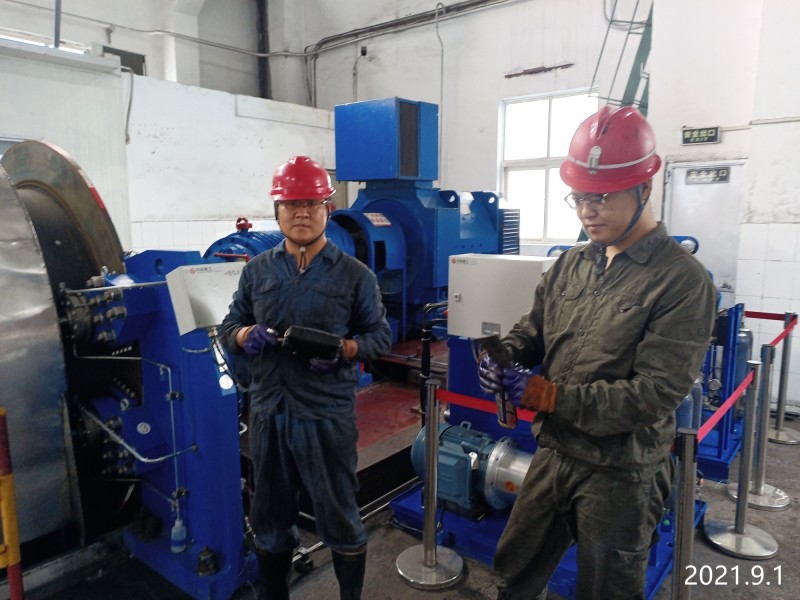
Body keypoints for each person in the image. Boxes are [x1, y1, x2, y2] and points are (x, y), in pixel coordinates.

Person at [478, 106, 717, 600]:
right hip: (555, 451)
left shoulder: (681, 281)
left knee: (607, 588)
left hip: (622, 472)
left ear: (644, 188)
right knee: (514, 570)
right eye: (580, 197)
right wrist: (505, 355)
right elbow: (535, 329)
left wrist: (547, 396)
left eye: (602, 197)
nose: (588, 211)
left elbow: (654, 394)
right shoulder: (571, 264)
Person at [220, 156, 392, 600]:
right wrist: (243, 335)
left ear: (327, 209)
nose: (301, 213)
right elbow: (228, 326)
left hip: (325, 416)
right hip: (269, 413)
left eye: (311, 204)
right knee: (270, 516)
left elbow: (380, 336)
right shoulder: (256, 271)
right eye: (291, 204)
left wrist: (345, 350)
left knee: (339, 514)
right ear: (277, 211)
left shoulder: (355, 276)